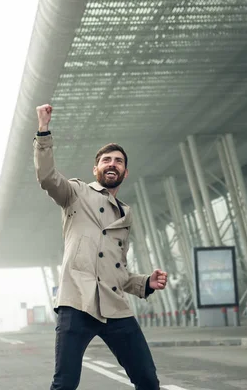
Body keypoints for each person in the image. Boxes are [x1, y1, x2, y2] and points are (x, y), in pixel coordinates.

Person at [33, 104, 168, 390]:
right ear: (96, 168)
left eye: (118, 161)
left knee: (147, 379)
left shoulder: (125, 214)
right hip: (77, 302)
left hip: (115, 307)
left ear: (125, 172)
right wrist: (43, 130)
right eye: (106, 160)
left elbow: (117, 269)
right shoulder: (76, 194)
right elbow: (47, 177)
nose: (112, 164)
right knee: (65, 383)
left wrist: (146, 282)